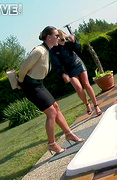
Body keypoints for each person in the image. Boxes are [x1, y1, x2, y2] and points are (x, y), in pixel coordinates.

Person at [17, 26, 84, 155]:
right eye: (56, 36)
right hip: (30, 86)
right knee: (51, 112)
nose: (58, 38)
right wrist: (20, 82)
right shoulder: (39, 51)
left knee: (55, 107)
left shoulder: (48, 50)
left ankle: (69, 134)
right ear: (48, 37)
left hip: (38, 85)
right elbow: (23, 69)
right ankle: (52, 144)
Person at [50, 30, 102, 116]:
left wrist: (74, 41)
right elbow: (57, 64)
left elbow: (78, 48)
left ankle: (96, 106)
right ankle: (87, 104)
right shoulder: (53, 50)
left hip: (78, 63)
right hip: (69, 70)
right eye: (57, 37)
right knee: (78, 88)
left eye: (60, 37)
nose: (59, 39)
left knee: (86, 84)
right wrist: (63, 73)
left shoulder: (69, 43)